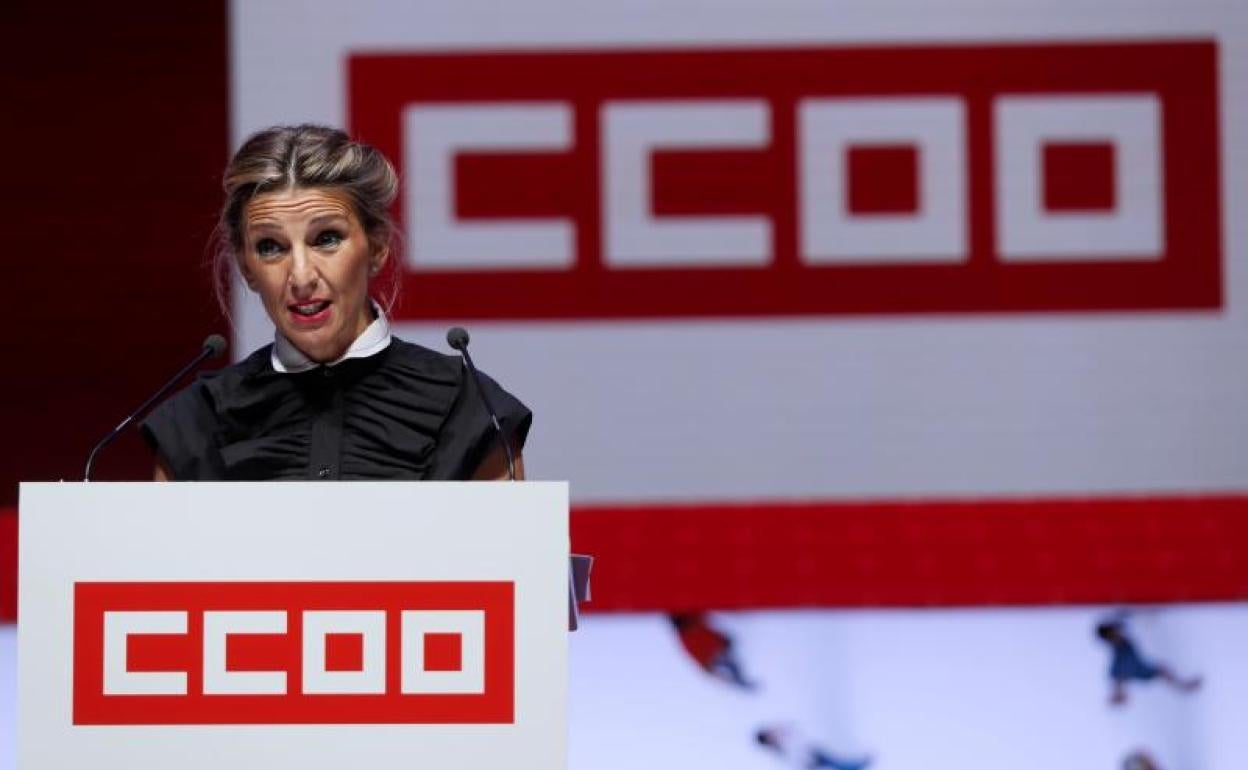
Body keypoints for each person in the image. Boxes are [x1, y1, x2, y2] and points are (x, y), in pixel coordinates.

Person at [141, 124, 530, 481]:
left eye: (326, 239)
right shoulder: (194, 422)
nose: (301, 277)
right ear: (246, 268)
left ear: (377, 247)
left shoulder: (472, 411)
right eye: (270, 247)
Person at [1095, 613, 1201, 706]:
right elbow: (1118, 677)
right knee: (1161, 669)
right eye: (1114, 633)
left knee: (1161, 669)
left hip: (1137, 667)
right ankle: (1184, 686)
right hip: (1137, 669)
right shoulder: (1119, 659)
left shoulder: (1119, 641)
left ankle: (1184, 686)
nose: (1118, 634)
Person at [668, 612, 759, 690]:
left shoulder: (696, 636)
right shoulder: (697, 639)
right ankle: (739, 680)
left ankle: (738, 680)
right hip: (691, 629)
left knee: (729, 664)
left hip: (691, 628)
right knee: (729, 664)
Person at [754, 725, 872, 770]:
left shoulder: (781, 732)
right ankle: (856, 766)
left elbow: (797, 732)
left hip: (812, 749)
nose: (770, 736)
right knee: (835, 762)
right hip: (810, 759)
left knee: (836, 759)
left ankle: (856, 765)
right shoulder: (779, 750)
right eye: (767, 738)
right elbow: (793, 759)